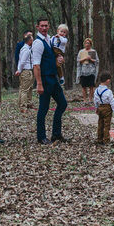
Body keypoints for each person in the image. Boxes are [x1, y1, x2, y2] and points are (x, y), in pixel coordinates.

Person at [32, 17, 68, 145]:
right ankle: (41, 136)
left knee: (63, 104)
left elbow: (54, 54)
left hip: (53, 78)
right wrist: (39, 84)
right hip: (45, 79)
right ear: (37, 27)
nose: (44, 28)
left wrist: (58, 58)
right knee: (43, 108)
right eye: (41, 26)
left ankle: (56, 134)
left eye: (46, 25)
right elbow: (36, 65)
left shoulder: (49, 40)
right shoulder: (37, 43)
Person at [93, 72, 114, 144]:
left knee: (100, 123)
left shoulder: (96, 90)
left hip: (100, 107)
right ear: (107, 81)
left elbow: (95, 100)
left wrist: (97, 107)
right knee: (107, 124)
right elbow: (112, 102)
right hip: (107, 108)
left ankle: (99, 139)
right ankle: (106, 140)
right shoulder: (108, 91)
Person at [16, 33, 35, 113]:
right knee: (24, 89)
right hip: (26, 71)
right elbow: (22, 61)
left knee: (29, 88)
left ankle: (29, 103)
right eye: (32, 39)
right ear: (30, 41)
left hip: (29, 70)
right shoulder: (25, 50)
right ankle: (23, 107)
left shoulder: (29, 49)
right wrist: (19, 70)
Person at [76, 38, 99, 102]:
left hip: (91, 70)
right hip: (83, 70)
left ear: (90, 44)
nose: (87, 44)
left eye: (88, 43)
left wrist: (90, 59)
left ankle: (90, 99)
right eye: (86, 43)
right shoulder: (81, 51)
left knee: (91, 86)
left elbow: (97, 61)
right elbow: (78, 61)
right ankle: (85, 99)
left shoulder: (93, 51)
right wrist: (84, 58)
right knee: (84, 86)